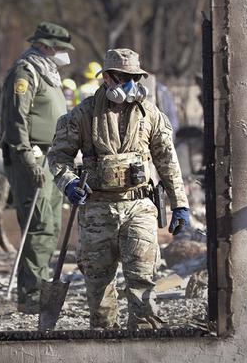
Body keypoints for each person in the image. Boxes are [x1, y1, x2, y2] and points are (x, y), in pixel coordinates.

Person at [47, 48, 190, 331]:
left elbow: (167, 160)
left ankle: (146, 345)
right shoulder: (83, 115)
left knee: (142, 280)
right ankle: (103, 347)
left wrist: (180, 204)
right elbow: (58, 157)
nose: (130, 84)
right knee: (98, 286)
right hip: (98, 209)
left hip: (138, 206)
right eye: (123, 78)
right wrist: (70, 183)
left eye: (134, 78)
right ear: (108, 78)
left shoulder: (150, 115)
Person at [0, 21, 74, 314]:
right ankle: (30, 296)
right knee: (39, 224)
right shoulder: (25, 72)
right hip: (32, 157)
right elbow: (16, 121)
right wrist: (28, 159)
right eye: (59, 48)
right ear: (45, 45)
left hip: (52, 156)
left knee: (51, 225)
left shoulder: (47, 72)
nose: (63, 54)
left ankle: (39, 289)